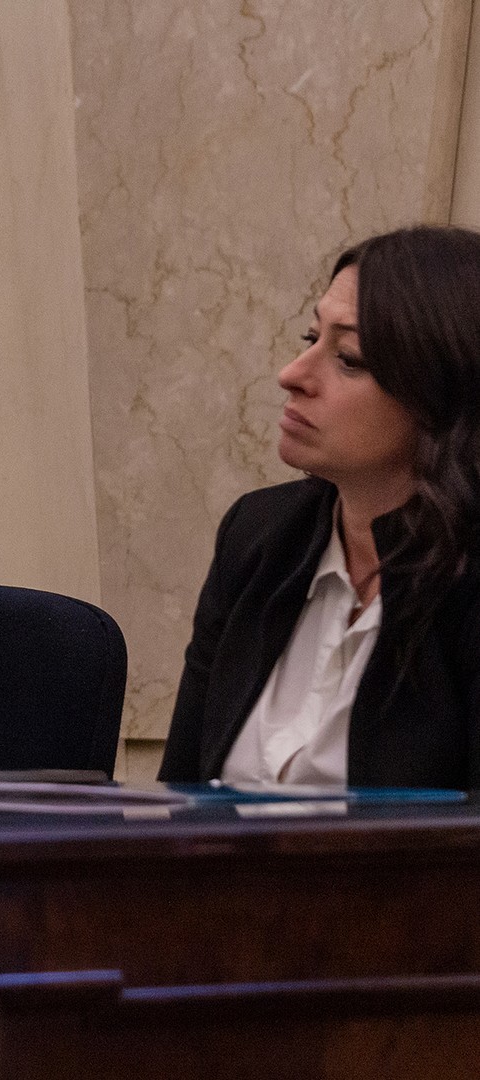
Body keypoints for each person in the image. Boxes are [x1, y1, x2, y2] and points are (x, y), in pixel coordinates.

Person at [160, 225, 480, 789]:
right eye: (311, 338)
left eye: (349, 359)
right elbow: (179, 797)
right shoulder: (259, 535)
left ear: (443, 395)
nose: (291, 375)